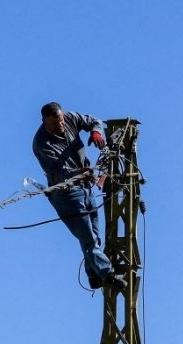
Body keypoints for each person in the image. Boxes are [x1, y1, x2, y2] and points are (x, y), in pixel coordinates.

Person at [32, 101, 122, 290]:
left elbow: (93, 120)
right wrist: (84, 173)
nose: (60, 125)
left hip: (85, 186)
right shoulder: (42, 143)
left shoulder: (71, 119)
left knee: (95, 235)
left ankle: (93, 274)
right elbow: (62, 171)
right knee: (88, 237)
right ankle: (108, 274)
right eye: (55, 123)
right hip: (66, 194)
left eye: (61, 120)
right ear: (44, 122)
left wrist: (95, 131)